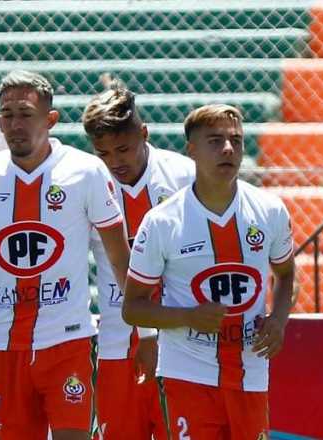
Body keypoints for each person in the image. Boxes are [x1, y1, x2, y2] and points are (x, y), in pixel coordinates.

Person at [0, 70, 131, 440]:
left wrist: (145, 330)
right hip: (5, 344)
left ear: (50, 119)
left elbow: (118, 256)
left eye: (26, 114)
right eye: (7, 114)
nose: (15, 124)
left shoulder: (85, 171)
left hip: (69, 341)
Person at [123, 104, 296, 440]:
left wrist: (278, 320)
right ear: (192, 150)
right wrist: (189, 317)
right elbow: (132, 308)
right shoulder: (162, 221)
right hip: (186, 372)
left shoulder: (270, 210)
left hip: (250, 372)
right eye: (215, 141)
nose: (228, 149)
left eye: (236, 140)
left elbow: (287, 274)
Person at [82, 86, 194, 439]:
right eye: (103, 153)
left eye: (123, 149)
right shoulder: (87, 184)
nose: (115, 161)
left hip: (182, 341)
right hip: (116, 343)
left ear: (144, 133)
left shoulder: (185, 177)